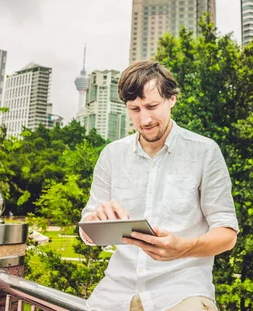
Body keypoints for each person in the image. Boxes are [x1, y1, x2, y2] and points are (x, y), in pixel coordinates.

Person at [80, 60, 238, 311]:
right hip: (115, 292)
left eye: (152, 106)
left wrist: (183, 248)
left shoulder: (205, 152)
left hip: (182, 290)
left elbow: (227, 234)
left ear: (172, 99)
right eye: (135, 109)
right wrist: (94, 222)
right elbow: (87, 233)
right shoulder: (111, 155)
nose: (144, 119)